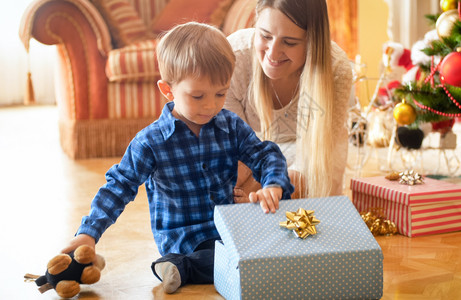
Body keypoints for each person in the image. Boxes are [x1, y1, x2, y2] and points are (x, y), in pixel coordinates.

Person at [60, 22, 294, 294]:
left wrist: (273, 184)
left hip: (228, 228)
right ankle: (180, 266)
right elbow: (118, 186)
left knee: (272, 249)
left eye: (221, 93)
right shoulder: (150, 142)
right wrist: (88, 233)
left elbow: (265, 154)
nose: (211, 105)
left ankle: (193, 266)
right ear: (168, 90)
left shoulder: (230, 126)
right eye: (198, 96)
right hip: (182, 238)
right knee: (235, 262)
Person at [225, 0, 353, 200]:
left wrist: (271, 189)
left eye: (290, 42)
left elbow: (311, 166)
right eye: (265, 36)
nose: (273, 54)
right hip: (250, 159)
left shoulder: (335, 71)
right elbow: (233, 154)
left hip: (309, 159)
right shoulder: (233, 58)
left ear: (312, 41)